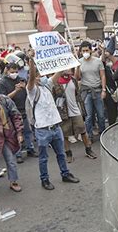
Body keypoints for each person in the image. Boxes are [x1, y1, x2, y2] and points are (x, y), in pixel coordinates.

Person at [26, 49, 79, 190]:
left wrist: (65, 56)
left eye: (40, 75)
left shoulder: (47, 86)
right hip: (43, 130)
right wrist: (31, 61)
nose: (40, 77)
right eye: (38, 76)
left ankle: (65, 174)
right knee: (43, 158)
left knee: (61, 154)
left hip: (56, 127)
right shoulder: (32, 90)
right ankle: (44, 180)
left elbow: (59, 72)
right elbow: (31, 78)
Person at [51, 69, 97, 163]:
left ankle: (88, 150)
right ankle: (68, 154)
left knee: (83, 131)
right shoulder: (55, 83)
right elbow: (53, 97)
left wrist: (82, 109)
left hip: (76, 110)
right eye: (67, 69)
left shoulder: (73, 80)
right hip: (63, 112)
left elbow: (77, 95)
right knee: (65, 134)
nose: (69, 70)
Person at [0, 63, 36, 163]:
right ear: (7, 70)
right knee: (16, 133)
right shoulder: (3, 83)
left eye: (16, 72)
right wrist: (16, 91)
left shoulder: (21, 79)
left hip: (24, 109)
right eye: (12, 72)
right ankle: (18, 153)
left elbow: (30, 91)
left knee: (28, 131)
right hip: (11, 112)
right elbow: (3, 99)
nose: (14, 74)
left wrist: (25, 88)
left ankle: (30, 149)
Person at [75, 41, 107, 141]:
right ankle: (89, 136)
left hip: (97, 90)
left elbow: (102, 75)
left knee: (101, 115)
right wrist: (77, 67)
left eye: (87, 50)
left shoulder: (98, 61)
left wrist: (103, 90)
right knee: (88, 116)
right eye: (83, 51)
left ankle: (103, 134)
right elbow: (77, 78)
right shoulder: (79, 62)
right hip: (86, 92)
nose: (85, 52)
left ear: (91, 50)